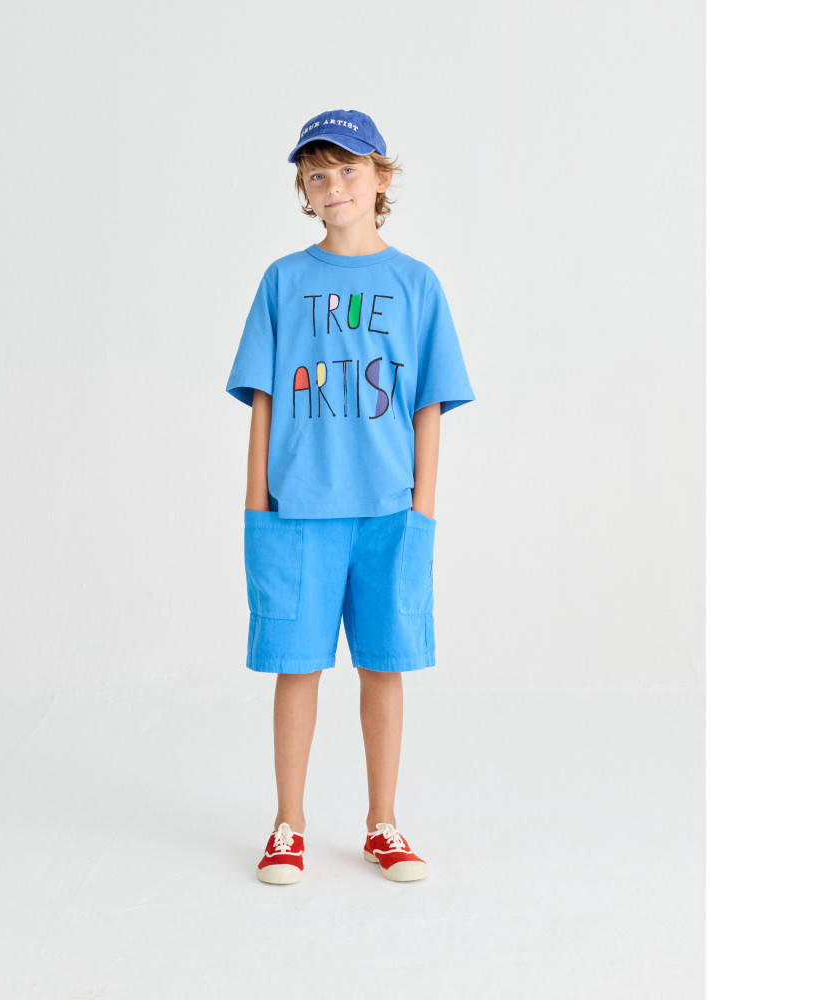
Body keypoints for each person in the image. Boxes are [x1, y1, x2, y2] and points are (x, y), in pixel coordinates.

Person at [225, 109, 475, 885]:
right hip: (296, 514)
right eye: (317, 174)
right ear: (303, 189)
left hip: (389, 514)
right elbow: (264, 400)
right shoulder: (283, 281)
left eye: (348, 170)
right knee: (296, 668)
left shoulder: (416, 284)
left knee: (382, 667)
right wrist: (257, 508)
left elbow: (429, 404)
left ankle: (383, 823)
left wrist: (422, 508)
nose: (333, 186)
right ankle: (288, 825)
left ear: (381, 178)